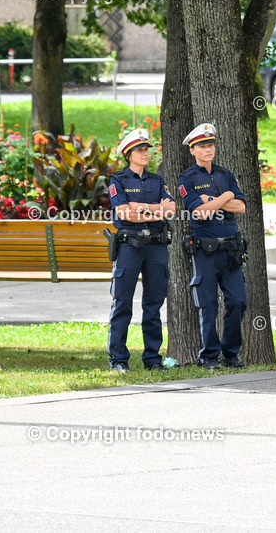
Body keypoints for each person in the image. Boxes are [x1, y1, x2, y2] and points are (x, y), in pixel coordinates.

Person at [178, 123, 249, 370]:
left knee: (238, 301)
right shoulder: (187, 178)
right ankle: (209, 356)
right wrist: (226, 197)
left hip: (230, 250)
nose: (208, 150)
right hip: (204, 251)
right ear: (192, 150)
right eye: (202, 146)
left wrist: (215, 201)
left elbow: (241, 207)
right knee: (208, 305)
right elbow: (199, 212)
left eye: (210, 145)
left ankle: (231, 354)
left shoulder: (226, 175)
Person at [107, 128, 175, 373]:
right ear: (128, 154)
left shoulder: (157, 180)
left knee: (154, 303)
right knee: (122, 302)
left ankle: (152, 359)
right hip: (129, 247)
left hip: (155, 247)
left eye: (146, 149)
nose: (145, 153)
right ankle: (118, 359)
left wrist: (141, 207)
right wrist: (156, 208)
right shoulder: (118, 180)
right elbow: (124, 213)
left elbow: (171, 210)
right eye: (140, 150)